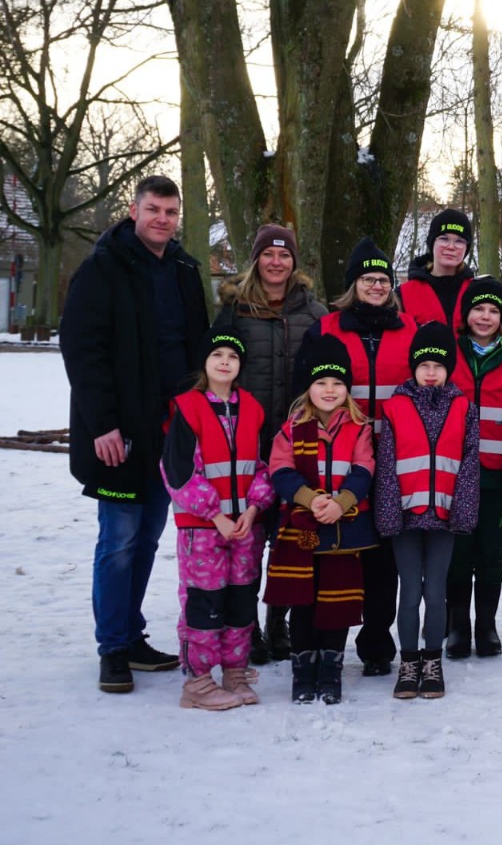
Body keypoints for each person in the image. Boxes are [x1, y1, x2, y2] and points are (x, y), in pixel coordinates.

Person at [61, 174, 210, 693]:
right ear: (134, 209)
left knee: (148, 537)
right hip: (119, 432)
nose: (162, 220)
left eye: (171, 212)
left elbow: (198, 349)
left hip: (171, 432)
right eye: (153, 210)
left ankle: (132, 634)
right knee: (120, 539)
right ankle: (112, 649)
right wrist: (103, 423)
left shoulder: (187, 271)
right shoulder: (103, 270)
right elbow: (83, 351)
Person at [213, 223, 328, 666]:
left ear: (294, 263)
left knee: (289, 537)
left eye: (284, 256)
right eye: (268, 255)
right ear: (256, 259)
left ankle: (277, 620)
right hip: (243, 441)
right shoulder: (234, 311)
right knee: (248, 536)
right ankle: (245, 626)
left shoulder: (313, 314)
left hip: (298, 442)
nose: (276, 263)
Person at [309, 237, 418, 676]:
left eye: (384, 279)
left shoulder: (409, 329)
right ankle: (322, 637)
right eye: (368, 278)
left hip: (393, 459)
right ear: (353, 283)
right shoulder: (328, 327)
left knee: (382, 556)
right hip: (338, 456)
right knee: (333, 550)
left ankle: (376, 642)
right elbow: (309, 390)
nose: (377, 286)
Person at [160, 331, 274, 709]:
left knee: (242, 601)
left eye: (233, 356)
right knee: (205, 602)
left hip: (246, 527)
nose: (225, 361)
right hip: (203, 528)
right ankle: (199, 680)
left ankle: (234, 671)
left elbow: (262, 467)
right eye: (217, 355)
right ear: (205, 363)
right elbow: (177, 472)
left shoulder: (253, 409)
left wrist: (255, 507)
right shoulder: (187, 408)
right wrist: (216, 515)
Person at [264, 335, 378, 704]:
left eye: (337, 383)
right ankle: (303, 667)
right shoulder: (292, 429)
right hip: (303, 527)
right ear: (308, 388)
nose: (329, 390)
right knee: (304, 600)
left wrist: (341, 502)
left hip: (346, 529)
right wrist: (311, 500)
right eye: (321, 383)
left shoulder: (358, 426)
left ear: (347, 388)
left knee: (338, 601)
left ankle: (331, 667)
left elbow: (364, 468)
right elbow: (280, 470)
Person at [375, 323, 480, 699]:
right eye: (424, 365)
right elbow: (386, 464)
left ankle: (432, 660)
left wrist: (462, 510)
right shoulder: (396, 405)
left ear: (449, 369)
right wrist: (389, 514)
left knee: (436, 592)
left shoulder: (464, 407)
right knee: (409, 593)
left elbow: (469, 464)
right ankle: (408, 661)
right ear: (413, 368)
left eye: (438, 365)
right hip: (405, 515)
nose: (431, 371)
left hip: (443, 517)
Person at [447, 276, 502, 659]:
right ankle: (457, 626)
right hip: (453, 473)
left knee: (490, 552)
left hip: (498, 473)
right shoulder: (449, 353)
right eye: (478, 309)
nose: (485, 316)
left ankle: (486, 625)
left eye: (493, 310)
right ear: (466, 314)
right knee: (457, 553)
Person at [398, 208, 477, 333]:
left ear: (466, 248)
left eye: (459, 241)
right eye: (444, 239)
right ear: (432, 243)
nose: (451, 247)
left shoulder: (477, 291)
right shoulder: (403, 295)